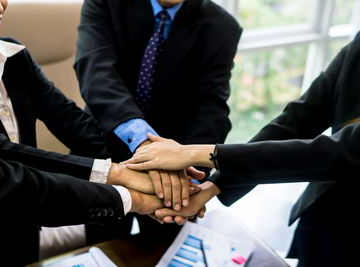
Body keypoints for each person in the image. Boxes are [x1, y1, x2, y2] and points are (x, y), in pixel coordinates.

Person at [0, 0, 183, 258]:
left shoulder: (14, 56)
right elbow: (5, 156)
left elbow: (71, 121)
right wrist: (126, 186)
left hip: (27, 230)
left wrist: (146, 168)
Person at [124, 32, 360, 267]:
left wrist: (193, 154)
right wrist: (212, 186)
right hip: (320, 217)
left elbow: (338, 152)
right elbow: (298, 120)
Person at [74, 0, 242, 242]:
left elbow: (211, 107)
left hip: (175, 173)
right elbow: (97, 75)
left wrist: (191, 174)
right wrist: (147, 145)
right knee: (104, 248)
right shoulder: (105, 3)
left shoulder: (222, 27)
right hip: (104, 151)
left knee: (163, 249)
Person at [0, 140, 163, 266]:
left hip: (27, 231)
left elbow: (5, 148)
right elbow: (7, 182)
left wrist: (116, 172)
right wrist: (133, 198)